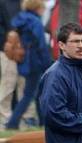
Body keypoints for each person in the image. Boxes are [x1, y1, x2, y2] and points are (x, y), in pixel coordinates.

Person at [6, 0, 50, 129]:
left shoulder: (21, 19)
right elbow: (41, 45)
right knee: (29, 95)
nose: (43, 10)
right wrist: (48, 64)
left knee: (37, 93)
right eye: (42, 7)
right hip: (35, 62)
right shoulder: (35, 22)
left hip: (25, 61)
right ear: (37, 7)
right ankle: (12, 123)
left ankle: (43, 122)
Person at [1, 30, 28, 129]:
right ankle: (5, 118)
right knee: (8, 86)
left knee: (24, 87)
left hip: (25, 51)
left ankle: (24, 118)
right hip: (6, 51)